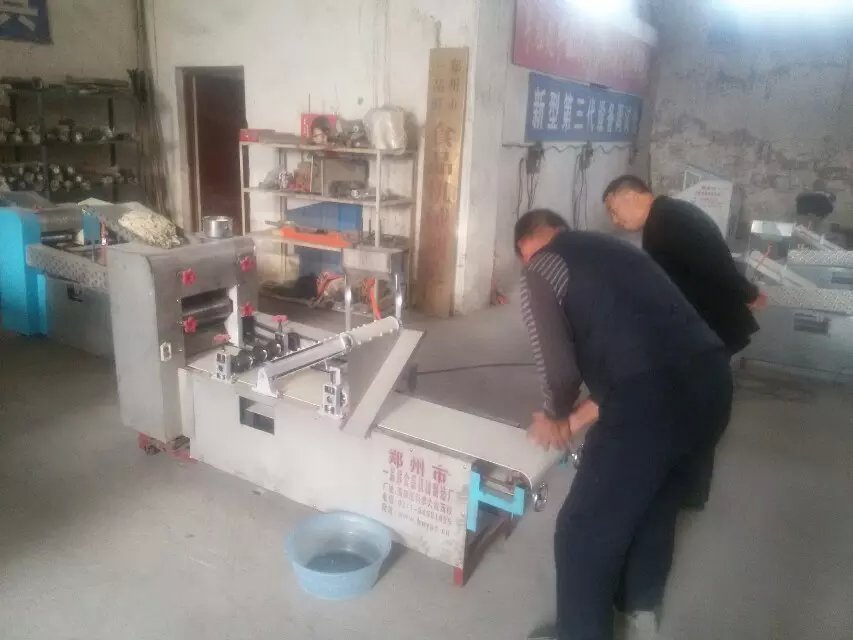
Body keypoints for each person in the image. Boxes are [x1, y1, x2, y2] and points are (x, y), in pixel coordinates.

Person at [515, 210, 733, 640]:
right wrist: (574, 421)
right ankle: (640, 610)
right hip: (712, 384)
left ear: (528, 247)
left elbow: (559, 373)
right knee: (655, 505)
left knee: (582, 532)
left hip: (650, 406)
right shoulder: (618, 252)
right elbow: (636, 358)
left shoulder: (542, 267)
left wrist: (555, 417)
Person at [603, 175, 763, 508]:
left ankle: (686, 490)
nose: (615, 221)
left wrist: (747, 293)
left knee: (695, 409)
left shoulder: (670, 222)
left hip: (705, 332)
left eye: (614, 210)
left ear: (630, 196)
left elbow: (714, 261)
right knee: (692, 407)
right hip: (700, 329)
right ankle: (686, 487)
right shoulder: (666, 218)